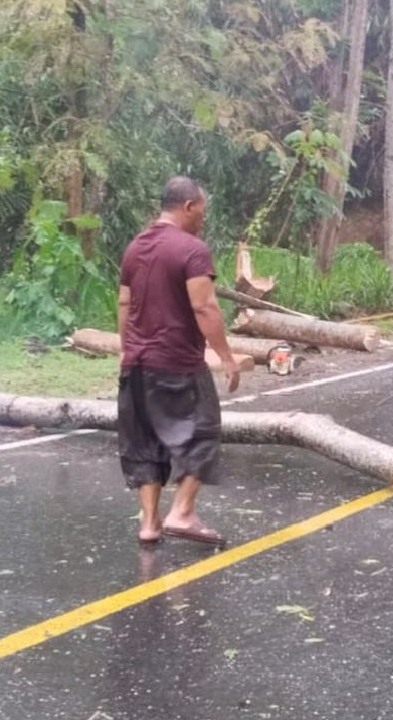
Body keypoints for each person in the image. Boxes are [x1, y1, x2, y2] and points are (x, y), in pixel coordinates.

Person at [117, 175, 241, 546]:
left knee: (144, 441)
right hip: (178, 362)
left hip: (137, 364)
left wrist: (128, 350)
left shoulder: (135, 247)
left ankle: (150, 522)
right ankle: (182, 512)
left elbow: (124, 304)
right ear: (188, 206)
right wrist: (226, 356)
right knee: (203, 431)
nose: (204, 218)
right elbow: (203, 304)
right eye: (202, 210)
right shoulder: (192, 249)